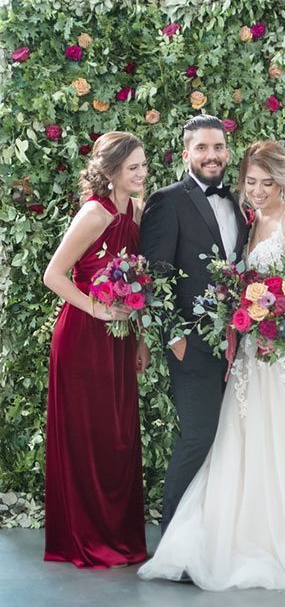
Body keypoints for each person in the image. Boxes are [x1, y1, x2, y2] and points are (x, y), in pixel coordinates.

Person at [138, 140, 285, 590]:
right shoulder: (252, 221)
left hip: (278, 353)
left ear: (282, 182)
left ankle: (280, 527)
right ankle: (228, 527)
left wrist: (270, 315)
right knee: (237, 438)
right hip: (246, 352)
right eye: (251, 182)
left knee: (279, 435)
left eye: (266, 183)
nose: (257, 190)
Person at [43, 131, 150, 568]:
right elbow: (54, 274)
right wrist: (98, 310)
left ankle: (119, 537)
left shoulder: (136, 209)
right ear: (110, 173)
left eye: (144, 165)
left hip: (120, 342)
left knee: (119, 438)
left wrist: (140, 336)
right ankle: (86, 539)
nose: (142, 173)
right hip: (82, 339)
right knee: (90, 438)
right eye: (134, 168)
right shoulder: (94, 213)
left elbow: (140, 280)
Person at [139, 115, 248, 534]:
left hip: (235, 340)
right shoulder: (168, 200)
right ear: (185, 154)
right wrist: (173, 336)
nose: (212, 155)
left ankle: (215, 534)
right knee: (198, 437)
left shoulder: (238, 201)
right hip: (192, 345)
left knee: (228, 441)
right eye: (201, 148)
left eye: (218, 147)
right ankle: (172, 538)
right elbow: (155, 274)